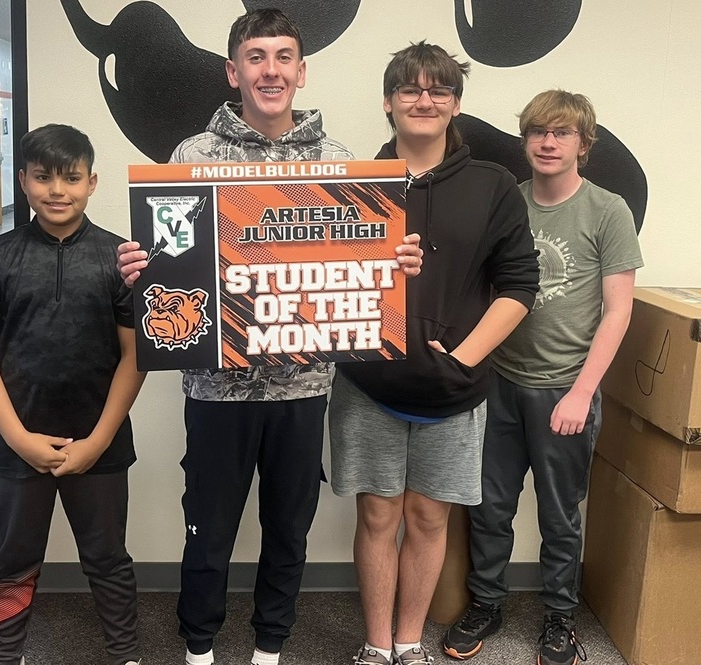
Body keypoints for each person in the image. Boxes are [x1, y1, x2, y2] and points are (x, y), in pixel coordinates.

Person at [116, 9, 422, 665]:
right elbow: (170, 262)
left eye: (283, 56)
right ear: (234, 71)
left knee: (290, 527)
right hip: (214, 387)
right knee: (208, 528)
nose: (271, 69)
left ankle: (270, 647)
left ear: (301, 71)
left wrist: (392, 261)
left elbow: (363, 263)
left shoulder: (343, 164)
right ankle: (199, 646)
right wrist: (142, 268)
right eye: (256, 56)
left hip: (304, 387)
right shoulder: (191, 158)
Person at [328, 42, 540, 665]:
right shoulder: (351, 183)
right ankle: (375, 646)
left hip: (455, 389)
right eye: (411, 90)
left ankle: (410, 644)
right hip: (369, 383)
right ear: (389, 102)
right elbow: (311, 271)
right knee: (377, 518)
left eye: (438, 90)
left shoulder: (493, 184)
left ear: (454, 104)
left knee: (428, 519)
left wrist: (466, 357)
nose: (424, 100)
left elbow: (519, 285)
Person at [443, 90, 643, 665]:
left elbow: (618, 310)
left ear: (584, 142)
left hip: (564, 387)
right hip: (500, 380)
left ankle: (560, 618)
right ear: (525, 139)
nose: (548, 143)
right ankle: (486, 602)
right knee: (490, 506)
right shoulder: (508, 201)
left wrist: (582, 392)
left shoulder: (608, 211)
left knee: (559, 515)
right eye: (537, 132)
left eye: (561, 133)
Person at [0, 124, 145, 665]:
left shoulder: (121, 259)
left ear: (92, 183)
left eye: (71, 178)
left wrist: (97, 440)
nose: (57, 190)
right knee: (14, 559)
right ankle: (4, 656)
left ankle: (126, 654)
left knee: (107, 557)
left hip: (99, 444)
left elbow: (136, 358)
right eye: (43, 177)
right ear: (23, 181)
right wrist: (19, 439)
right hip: (14, 448)